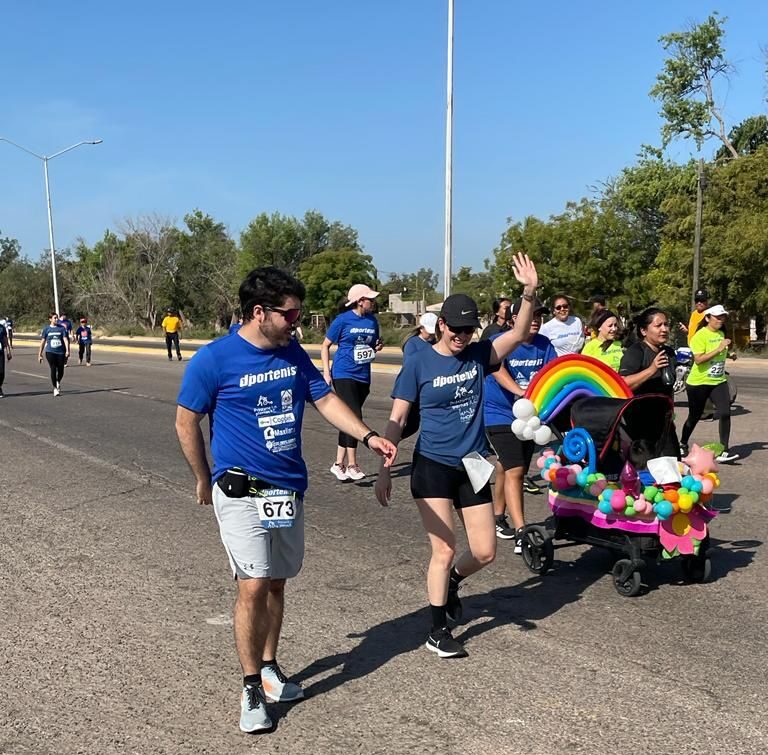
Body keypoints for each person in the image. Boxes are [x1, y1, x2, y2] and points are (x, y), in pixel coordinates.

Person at [175, 266, 396, 734]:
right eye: (291, 313)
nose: (298, 321)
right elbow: (185, 421)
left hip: (286, 488)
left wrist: (368, 434)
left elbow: (325, 399)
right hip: (238, 489)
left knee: (277, 583)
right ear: (260, 312)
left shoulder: (291, 352)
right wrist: (203, 477)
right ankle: (251, 685)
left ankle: (271, 666)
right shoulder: (214, 360)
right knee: (252, 584)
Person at [375, 253, 539, 659]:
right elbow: (397, 418)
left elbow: (518, 333)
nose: (463, 336)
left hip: (474, 464)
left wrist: (530, 292)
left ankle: (451, 583)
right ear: (441, 325)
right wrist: (383, 466)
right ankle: (436, 631)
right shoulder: (418, 362)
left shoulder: (479, 355)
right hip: (432, 466)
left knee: (484, 551)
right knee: (443, 549)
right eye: (457, 329)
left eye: (470, 329)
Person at [484, 297, 556, 550]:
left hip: (530, 418)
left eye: (539, 316)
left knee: (508, 466)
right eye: (532, 315)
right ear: (515, 319)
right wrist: (519, 391)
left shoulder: (544, 344)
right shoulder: (500, 343)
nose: (536, 320)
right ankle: (521, 532)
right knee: (515, 470)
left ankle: (496, 516)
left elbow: (552, 373)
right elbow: (494, 367)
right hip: (499, 414)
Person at [321, 283, 383, 481]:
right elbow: (325, 345)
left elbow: (371, 345)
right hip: (343, 373)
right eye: (370, 300)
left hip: (363, 375)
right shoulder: (342, 320)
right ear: (359, 301)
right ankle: (352, 465)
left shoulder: (373, 321)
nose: (373, 303)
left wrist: (376, 347)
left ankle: (338, 464)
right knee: (355, 417)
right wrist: (327, 372)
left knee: (347, 420)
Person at [679, 305, 738, 463]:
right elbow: (698, 359)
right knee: (695, 416)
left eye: (723, 316)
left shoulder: (720, 333)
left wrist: (729, 355)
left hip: (718, 381)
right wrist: (720, 349)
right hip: (698, 383)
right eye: (717, 317)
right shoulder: (700, 336)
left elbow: (719, 354)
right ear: (707, 318)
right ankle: (683, 443)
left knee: (725, 413)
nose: (720, 319)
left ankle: (724, 450)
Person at [618, 307, 679, 456]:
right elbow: (623, 383)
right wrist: (652, 369)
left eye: (666, 324)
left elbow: (668, 386)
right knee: (645, 472)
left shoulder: (669, 352)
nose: (664, 329)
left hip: (664, 423)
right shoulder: (636, 352)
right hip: (640, 424)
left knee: (673, 467)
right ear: (644, 331)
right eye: (658, 326)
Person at [38, 312, 70, 396]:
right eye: (55, 318)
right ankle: (55, 388)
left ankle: (58, 381)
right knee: (53, 368)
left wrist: (67, 350)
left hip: (61, 352)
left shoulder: (62, 328)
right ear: (50, 319)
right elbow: (43, 342)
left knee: (61, 370)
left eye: (57, 318)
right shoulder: (46, 329)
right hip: (50, 352)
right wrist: (40, 354)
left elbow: (65, 339)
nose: (56, 319)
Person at [0, 320, 12, 398]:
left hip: (0, 352)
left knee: (1, 372)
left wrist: (8, 352)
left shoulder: (2, 328)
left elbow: (5, 340)